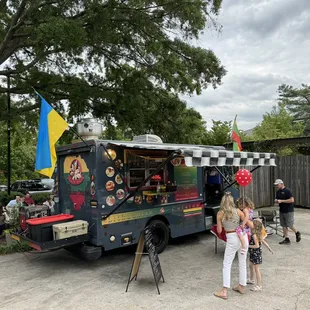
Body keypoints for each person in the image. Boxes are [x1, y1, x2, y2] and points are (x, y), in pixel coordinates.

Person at [214, 192, 251, 300]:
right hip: (242, 236)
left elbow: (220, 230)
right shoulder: (238, 211)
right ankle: (242, 286)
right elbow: (246, 221)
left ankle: (224, 290)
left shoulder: (220, 214)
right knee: (242, 262)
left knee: (227, 264)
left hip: (232, 238)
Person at [247, 218, 274, 291]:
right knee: (250, 265)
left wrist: (248, 246)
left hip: (256, 253)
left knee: (257, 269)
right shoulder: (257, 233)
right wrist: (269, 248)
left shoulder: (255, 235)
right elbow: (263, 241)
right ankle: (251, 279)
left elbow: (257, 246)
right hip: (254, 253)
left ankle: (259, 285)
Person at [274, 179, 301, 244]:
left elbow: (292, 200)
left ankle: (297, 233)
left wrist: (282, 201)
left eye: (277, 184)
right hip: (282, 210)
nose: (276, 186)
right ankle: (287, 239)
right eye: (276, 185)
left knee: (290, 225)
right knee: (283, 225)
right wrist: (276, 201)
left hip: (289, 211)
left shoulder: (287, 190)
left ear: (281, 184)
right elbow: (278, 199)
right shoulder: (278, 192)